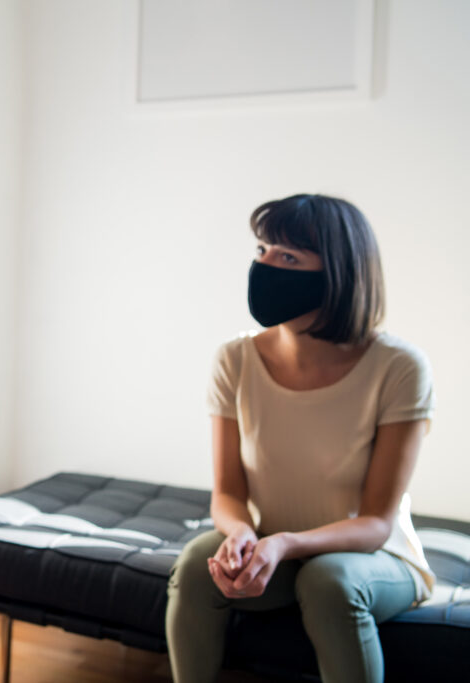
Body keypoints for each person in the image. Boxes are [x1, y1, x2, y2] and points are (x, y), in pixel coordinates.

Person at [165, 194, 434, 683]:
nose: (265, 265)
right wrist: (242, 534)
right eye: (263, 249)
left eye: (287, 257)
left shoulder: (398, 368)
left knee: (329, 580)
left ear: (339, 272)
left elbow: (376, 522)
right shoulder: (235, 359)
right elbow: (227, 491)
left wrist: (285, 544)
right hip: (278, 550)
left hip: (377, 558)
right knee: (199, 561)